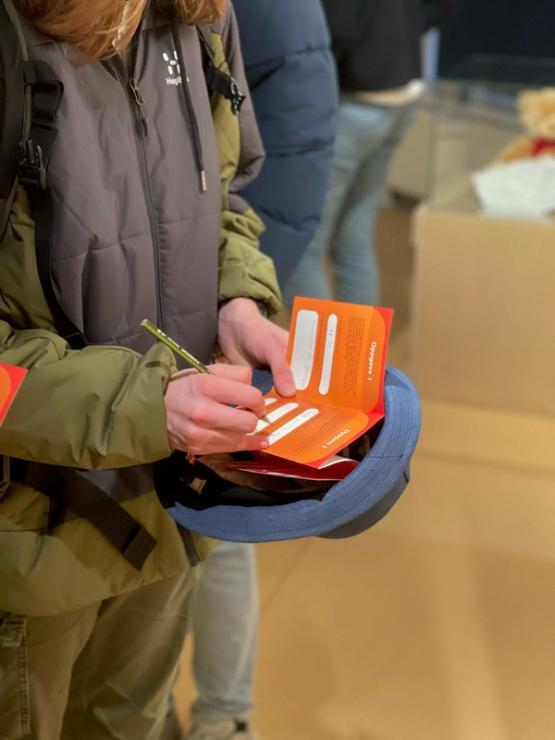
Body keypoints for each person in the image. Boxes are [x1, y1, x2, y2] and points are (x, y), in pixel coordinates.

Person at [0, 1, 295, 739]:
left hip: (171, 508)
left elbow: (222, 197)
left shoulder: (198, 16)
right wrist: (141, 408)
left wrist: (238, 297)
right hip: (29, 543)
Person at [182, 2, 337, 738]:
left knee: (222, 518)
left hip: (219, 291)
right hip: (191, 282)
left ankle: (223, 715)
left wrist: (238, 292)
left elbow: (288, 154)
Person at [284, 0, 444, 308]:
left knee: (302, 247)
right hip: (399, 94)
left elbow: (339, 27)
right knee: (352, 237)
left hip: (355, 101)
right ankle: (357, 356)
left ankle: (327, 357)